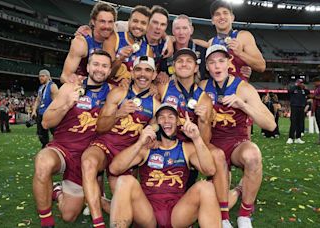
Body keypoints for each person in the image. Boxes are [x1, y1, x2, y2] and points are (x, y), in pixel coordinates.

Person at [32, 50, 113, 228]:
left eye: (105, 66)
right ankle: (46, 222)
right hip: (62, 149)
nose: (100, 69)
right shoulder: (71, 87)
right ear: (89, 67)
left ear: (109, 70)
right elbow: (46, 122)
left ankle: (58, 191)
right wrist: (68, 104)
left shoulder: (113, 94)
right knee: (43, 162)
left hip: (86, 158)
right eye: (96, 64)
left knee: (69, 215)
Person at [200, 44, 276, 228]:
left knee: (253, 155)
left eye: (221, 61)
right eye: (212, 62)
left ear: (229, 63)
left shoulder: (243, 88)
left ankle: (244, 215)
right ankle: (226, 214)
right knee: (216, 196)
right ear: (207, 66)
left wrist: (243, 105)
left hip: (237, 144)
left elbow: (271, 125)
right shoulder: (202, 87)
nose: (217, 66)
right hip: (213, 146)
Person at [109, 103, 221, 227]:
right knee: (125, 180)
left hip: (177, 212)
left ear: (178, 121)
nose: (166, 120)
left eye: (171, 117)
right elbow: (114, 169)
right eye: (161, 117)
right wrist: (140, 142)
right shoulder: (147, 148)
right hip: (147, 211)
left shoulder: (186, 148)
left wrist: (197, 138)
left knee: (206, 187)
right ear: (156, 123)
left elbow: (210, 170)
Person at [80, 56, 159, 227]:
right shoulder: (118, 92)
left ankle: (96, 200)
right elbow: (100, 127)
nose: (142, 74)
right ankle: (98, 222)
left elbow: (154, 132)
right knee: (88, 162)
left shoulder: (156, 105)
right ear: (132, 72)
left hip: (126, 155)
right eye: (138, 69)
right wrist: (118, 113)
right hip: (105, 145)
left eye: (147, 70)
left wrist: (152, 139)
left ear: (154, 75)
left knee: (133, 214)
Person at [158, 48, 230, 227]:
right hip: (165, 145)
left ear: (196, 68)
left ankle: (224, 214)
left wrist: (204, 121)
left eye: (189, 61)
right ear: (174, 66)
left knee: (217, 156)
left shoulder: (204, 98)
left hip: (190, 147)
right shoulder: (163, 87)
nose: (184, 64)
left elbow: (205, 142)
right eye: (180, 61)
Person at [60, 2, 117, 84]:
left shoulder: (117, 40)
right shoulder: (81, 42)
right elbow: (65, 76)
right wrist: (80, 88)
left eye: (110, 22)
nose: (107, 26)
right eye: (102, 21)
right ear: (93, 22)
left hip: (107, 90)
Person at [209, 0, 265, 81]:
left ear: (232, 18)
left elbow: (261, 66)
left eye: (225, 13)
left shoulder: (243, 36)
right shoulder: (211, 42)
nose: (222, 17)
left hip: (239, 91)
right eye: (217, 14)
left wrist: (240, 53)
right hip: (217, 91)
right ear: (212, 20)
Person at [103, 5, 153, 85]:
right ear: (129, 21)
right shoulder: (114, 39)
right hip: (108, 90)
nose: (138, 26)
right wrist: (120, 59)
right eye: (135, 21)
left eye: (143, 23)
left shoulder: (148, 51)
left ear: (148, 27)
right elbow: (104, 74)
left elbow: (146, 82)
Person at [31, 69, 58, 148]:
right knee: (41, 132)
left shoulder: (52, 86)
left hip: (50, 113)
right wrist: (34, 111)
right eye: (39, 76)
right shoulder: (41, 87)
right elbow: (38, 100)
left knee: (54, 131)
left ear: (48, 77)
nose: (40, 78)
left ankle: (58, 146)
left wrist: (54, 112)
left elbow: (57, 99)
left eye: (43, 76)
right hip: (41, 113)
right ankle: (45, 146)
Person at [287, 79, 309, 144]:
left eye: (302, 83)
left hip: (301, 107)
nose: (301, 84)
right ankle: (290, 138)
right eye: (300, 83)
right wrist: (296, 85)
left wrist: (304, 87)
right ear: (297, 83)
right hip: (294, 107)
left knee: (300, 123)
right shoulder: (293, 88)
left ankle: (298, 138)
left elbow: (308, 92)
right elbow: (289, 91)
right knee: (293, 122)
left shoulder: (303, 90)